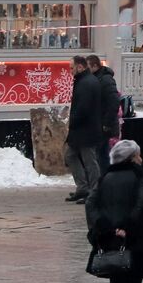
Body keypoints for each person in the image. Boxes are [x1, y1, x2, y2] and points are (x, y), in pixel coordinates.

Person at [84, 139, 143, 283]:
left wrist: (102, 226)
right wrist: (127, 226)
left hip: (108, 237)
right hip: (134, 237)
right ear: (132, 157)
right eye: (138, 155)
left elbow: (91, 202)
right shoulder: (139, 176)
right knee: (132, 280)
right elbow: (142, 203)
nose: (141, 159)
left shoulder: (105, 177)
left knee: (115, 279)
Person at [65, 55, 102, 202]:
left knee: (89, 161)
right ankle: (83, 187)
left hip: (86, 129)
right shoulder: (84, 81)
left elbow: (83, 108)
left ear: (80, 67)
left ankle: (94, 191)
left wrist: (73, 121)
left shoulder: (86, 83)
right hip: (82, 129)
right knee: (70, 156)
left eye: (72, 68)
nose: (70, 71)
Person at [87, 54, 120, 174]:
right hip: (99, 123)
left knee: (100, 155)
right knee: (101, 155)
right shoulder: (98, 78)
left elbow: (114, 102)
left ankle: (102, 182)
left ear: (95, 66)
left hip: (103, 124)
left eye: (88, 67)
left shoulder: (105, 79)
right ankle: (102, 182)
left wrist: (106, 123)